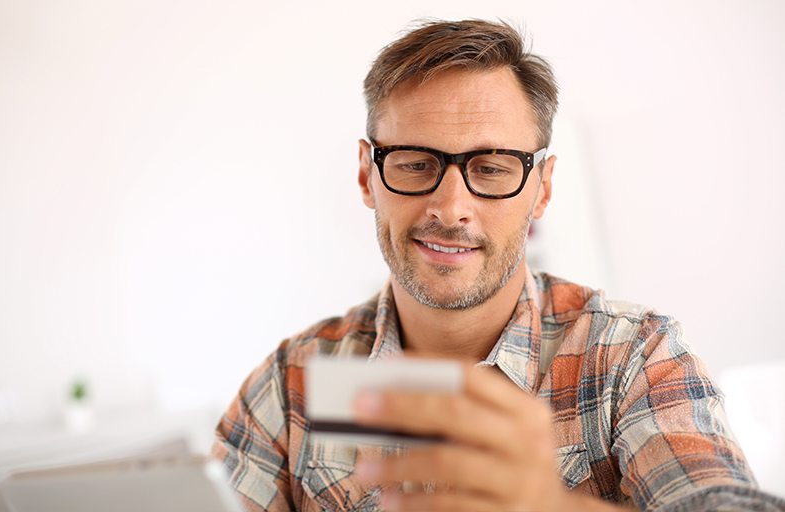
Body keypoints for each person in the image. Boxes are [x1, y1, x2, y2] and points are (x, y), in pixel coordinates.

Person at [210, 19, 784, 511]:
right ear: (367, 175)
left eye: (491, 168)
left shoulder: (632, 356)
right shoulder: (293, 386)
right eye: (414, 163)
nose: (451, 209)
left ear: (542, 188)